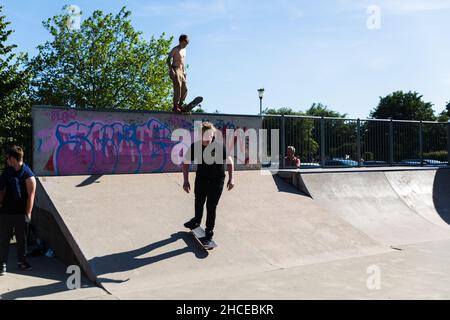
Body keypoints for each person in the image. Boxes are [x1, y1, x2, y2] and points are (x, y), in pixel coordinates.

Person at [182, 122, 235, 248]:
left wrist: (232, 178)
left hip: (217, 181)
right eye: (204, 136)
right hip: (201, 179)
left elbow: (230, 161)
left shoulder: (219, 147)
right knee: (199, 201)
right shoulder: (195, 147)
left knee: (211, 206)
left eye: (210, 135)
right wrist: (185, 180)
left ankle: (209, 234)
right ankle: (196, 220)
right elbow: (185, 163)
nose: (207, 139)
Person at [0, 146, 37, 275]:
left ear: (13, 159)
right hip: (6, 212)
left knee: (22, 240)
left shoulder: (28, 175)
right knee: (4, 239)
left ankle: (22, 262)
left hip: (21, 213)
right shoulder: (7, 171)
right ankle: (2, 264)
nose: (6, 160)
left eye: (8, 158)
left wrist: (28, 214)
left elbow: (31, 196)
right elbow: (1, 189)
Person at [167, 34, 189, 114]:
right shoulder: (175, 49)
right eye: (183, 44)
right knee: (178, 87)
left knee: (185, 88)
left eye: (186, 44)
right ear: (180, 41)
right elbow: (168, 60)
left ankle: (180, 104)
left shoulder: (184, 50)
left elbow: (182, 62)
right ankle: (175, 106)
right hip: (175, 69)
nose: (184, 46)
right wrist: (171, 70)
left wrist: (184, 72)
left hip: (182, 71)